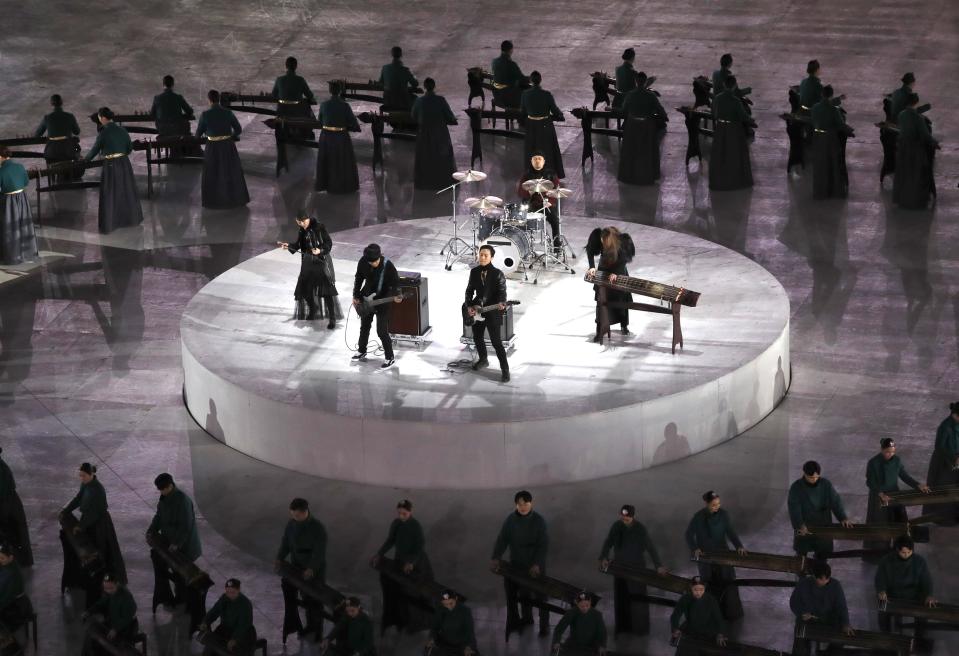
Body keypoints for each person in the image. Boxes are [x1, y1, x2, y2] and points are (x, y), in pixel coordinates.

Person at [60, 463, 127, 608]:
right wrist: (67, 510)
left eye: (83, 475)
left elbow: (95, 513)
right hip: (89, 521)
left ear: (91, 475)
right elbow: (78, 499)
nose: (81, 478)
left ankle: (102, 581)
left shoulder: (98, 490)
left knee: (100, 551)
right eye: (80, 475)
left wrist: (81, 526)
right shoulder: (85, 485)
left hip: (99, 525)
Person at [598, 504, 664, 635]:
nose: (624, 520)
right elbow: (608, 542)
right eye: (622, 517)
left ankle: (641, 628)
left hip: (637, 567)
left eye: (627, 518)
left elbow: (650, 548)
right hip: (620, 567)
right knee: (621, 597)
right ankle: (623, 628)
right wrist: (603, 557)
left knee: (638, 599)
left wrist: (659, 566)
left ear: (633, 516)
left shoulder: (640, 529)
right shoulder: (616, 526)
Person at [147, 473, 203, 629]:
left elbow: (186, 526)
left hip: (185, 548)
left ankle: (183, 604)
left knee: (182, 577)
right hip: (170, 543)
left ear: (170, 486)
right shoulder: (165, 498)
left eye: (162, 489)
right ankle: (173, 598)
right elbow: (159, 515)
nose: (161, 492)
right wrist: (152, 529)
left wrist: (177, 544)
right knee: (173, 573)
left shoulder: (182, 501)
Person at [490, 490, 549, 636]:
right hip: (516, 564)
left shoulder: (539, 521)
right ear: (516, 505)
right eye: (520, 504)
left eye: (526, 504)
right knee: (523, 594)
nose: (523, 507)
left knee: (541, 596)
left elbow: (543, 545)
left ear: (531, 503)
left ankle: (544, 626)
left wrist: (537, 564)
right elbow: (502, 539)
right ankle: (526, 619)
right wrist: (496, 556)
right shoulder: (510, 520)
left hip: (535, 565)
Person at [371, 499, 434, 632]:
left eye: (404, 514)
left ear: (410, 512)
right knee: (400, 589)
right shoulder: (396, 523)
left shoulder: (415, 526)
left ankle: (420, 622)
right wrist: (379, 554)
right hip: (400, 560)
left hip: (417, 563)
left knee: (416, 591)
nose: (401, 516)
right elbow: (390, 540)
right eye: (399, 513)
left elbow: (419, 546)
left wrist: (411, 562)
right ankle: (400, 621)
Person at [684, 491, 745, 622]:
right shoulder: (698, 517)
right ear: (706, 504)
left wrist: (739, 546)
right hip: (706, 556)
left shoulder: (723, 515)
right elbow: (688, 534)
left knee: (727, 582)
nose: (717, 506)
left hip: (722, 554)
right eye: (713, 505)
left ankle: (730, 613)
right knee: (709, 583)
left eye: (718, 504)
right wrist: (695, 548)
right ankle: (711, 615)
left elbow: (730, 532)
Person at [275, 497, 328, 643]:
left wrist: (311, 568)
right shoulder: (291, 524)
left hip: (313, 571)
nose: (294, 517)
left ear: (305, 512)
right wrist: (280, 557)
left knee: (315, 601)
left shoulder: (318, 529)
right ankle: (310, 626)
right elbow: (286, 542)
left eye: (297, 515)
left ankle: (318, 631)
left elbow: (319, 553)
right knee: (305, 597)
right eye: (292, 514)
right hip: (297, 567)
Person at [864, 438, 930, 553]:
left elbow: (904, 476)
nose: (890, 454)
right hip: (878, 496)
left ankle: (900, 549)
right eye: (887, 452)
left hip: (894, 494)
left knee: (899, 521)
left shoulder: (897, 461)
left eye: (893, 452)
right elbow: (870, 482)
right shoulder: (873, 462)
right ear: (882, 450)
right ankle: (879, 552)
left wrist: (918, 485)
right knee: (881, 523)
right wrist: (881, 494)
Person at [85, 107, 144, 234]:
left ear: (103, 118)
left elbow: (94, 151)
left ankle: (111, 223)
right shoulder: (122, 130)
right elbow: (129, 148)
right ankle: (130, 220)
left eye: (100, 117)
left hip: (111, 164)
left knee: (110, 193)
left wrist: (84, 161)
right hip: (124, 163)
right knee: (126, 190)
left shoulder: (103, 133)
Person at [278, 211, 339, 326]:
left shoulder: (319, 227)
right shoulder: (302, 230)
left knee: (326, 291)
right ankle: (313, 308)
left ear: (308, 218)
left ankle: (332, 318)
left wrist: (320, 250)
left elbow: (328, 243)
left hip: (321, 261)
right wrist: (289, 246)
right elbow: (298, 245)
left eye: (303, 221)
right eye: (299, 222)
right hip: (307, 262)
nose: (301, 224)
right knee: (304, 289)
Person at [787, 460, 853, 560]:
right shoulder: (796, 488)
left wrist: (843, 518)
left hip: (823, 523)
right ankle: (801, 574)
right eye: (811, 477)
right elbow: (794, 509)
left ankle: (820, 573)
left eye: (816, 477)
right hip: (805, 525)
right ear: (804, 474)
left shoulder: (826, 485)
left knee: (822, 555)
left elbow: (835, 502)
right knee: (801, 555)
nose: (814, 480)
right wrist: (799, 525)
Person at [195, 89, 249, 209]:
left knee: (212, 172)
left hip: (212, 147)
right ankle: (235, 198)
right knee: (230, 171)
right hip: (227, 146)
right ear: (219, 99)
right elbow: (238, 129)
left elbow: (198, 134)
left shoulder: (205, 115)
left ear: (209, 100)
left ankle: (213, 201)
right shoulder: (228, 112)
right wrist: (231, 136)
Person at [465, 244, 510, 383]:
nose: (482, 257)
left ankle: (505, 370)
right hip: (477, 310)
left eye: (486, 255)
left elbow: (502, 294)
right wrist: (468, 306)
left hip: (492, 312)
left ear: (492, 257)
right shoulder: (474, 272)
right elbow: (469, 291)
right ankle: (483, 359)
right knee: (477, 338)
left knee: (496, 342)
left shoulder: (498, 274)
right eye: (481, 255)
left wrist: (501, 304)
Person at [351, 243, 401, 368]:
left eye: (376, 261)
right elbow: (358, 278)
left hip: (383, 300)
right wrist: (356, 295)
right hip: (367, 298)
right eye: (371, 262)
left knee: (382, 331)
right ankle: (362, 350)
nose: (374, 263)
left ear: (380, 256)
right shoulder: (363, 262)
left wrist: (398, 294)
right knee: (364, 327)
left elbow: (396, 282)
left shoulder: (387, 265)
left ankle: (390, 357)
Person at [789, 561, 853, 656]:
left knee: (839, 641)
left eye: (827, 579)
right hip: (807, 620)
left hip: (828, 620)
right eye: (821, 579)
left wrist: (846, 623)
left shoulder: (835, 586)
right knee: (800, 643)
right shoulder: (804, 584)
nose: (824, 581)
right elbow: (794, 602)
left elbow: (842, 606)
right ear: (814, 576)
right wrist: (801, 613)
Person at [875, 535, 936, 635]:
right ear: (897, 550)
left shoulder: (920, 561)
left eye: (909, 552)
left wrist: (929, 595)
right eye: (903, 552)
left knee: (924, 611)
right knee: (881, 606)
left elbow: (926, 581)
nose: (906, 555)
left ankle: (919, 638)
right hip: (891, 594)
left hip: (913, 595)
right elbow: (879, 579)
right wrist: (881, 591)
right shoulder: (886, 561)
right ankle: (885, 636)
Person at [618, 70, 668, 186]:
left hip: (632, 126)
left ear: (636, 81)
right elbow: (660, 111)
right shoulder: (651, 96)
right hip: (646, 126)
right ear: (645, 82)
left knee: (631, 151)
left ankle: (630, 176)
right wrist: (664, 117)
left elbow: (624, 111)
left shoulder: (630, 95)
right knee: (646, 151)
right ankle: (646, 175)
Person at [585, 226, 635, 341]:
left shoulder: (622, 242)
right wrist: (592, 267)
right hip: (604, 269)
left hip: (619, 269)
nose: (603, 244)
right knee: (601, 299)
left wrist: (616, 273)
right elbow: (590, 250)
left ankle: (624, 325)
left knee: (621, 298)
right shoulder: (599, 236)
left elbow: (624, 259)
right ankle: (600, 330)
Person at [893, 92, 939, 210]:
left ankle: (902, 198)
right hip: (915, 149)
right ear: (916, 102)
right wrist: (935, 143)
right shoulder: (918, 118)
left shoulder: (901, 115)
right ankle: (915, 199)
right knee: (916, 174)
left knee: (905, 173)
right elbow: (925, 135)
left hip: (903, 148)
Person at [410, 77, 457, 190]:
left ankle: (425, 181)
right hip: (440, 135)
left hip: (423, 135)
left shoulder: (419, 101)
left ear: (425, 87)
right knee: (442, 156)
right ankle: (442, 181)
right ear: (434, 86)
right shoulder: (440, 100)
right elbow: (450, 118)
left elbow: (413, 116)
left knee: (424, 157)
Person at [315, 81, 361, 194]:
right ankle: (342, 185)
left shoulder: (324, 105)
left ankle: (326, 184)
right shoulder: (345, 105)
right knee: (342, 161)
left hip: (326, 137)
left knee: (327, 161)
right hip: (341, 137)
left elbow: (320, 122)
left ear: (330, 91)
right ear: (340, 91)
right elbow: (354, 124)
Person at [709, 76, 754, 191]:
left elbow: (713, 113)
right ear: (734, 86)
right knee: (734, 154)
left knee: (720, 153)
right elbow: (743, 116)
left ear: (724, 85)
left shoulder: (717, 98)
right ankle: (734, 180)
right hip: (733, 129)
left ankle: (719, 180)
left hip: (720, 128)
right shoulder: (735, 101)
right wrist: (750, 120)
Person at [520, 71, 565, 179]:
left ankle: (532, 172)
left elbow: (523, 111)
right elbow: (554, 110)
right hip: (545, 125)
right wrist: (560, 114)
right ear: (540, 80)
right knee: (547, 149)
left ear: (531, 80)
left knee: (532, 149)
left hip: (531, 126)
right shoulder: (546, 95)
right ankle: (548, 172)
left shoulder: (525, 94)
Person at [80, 573, 138, 656]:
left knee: (110, 646)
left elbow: (128, 617)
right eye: (106, 588)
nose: (108, 591)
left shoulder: (126, 596)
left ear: (117, 584)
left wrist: (116, 629)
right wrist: (89, 611)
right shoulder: (109, 593)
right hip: (113, 623)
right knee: (90, 638)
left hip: (127, 627)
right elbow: (101, 603)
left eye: (111, 588)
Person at [810, 85, 850, 199]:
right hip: (831, 139)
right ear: (831, 95)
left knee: (820, 165)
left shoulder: (815, 107)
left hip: (818, 138)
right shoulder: (834, 110)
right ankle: (833, 190)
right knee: (833, 164)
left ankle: (820, 191)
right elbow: (841, 125)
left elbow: (813, 120)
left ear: (822, 94)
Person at [0, 146, 38, 266]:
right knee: (23, 225)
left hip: (7, 202)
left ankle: (11, 256)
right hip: (22, 199)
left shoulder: (1, 171)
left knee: (9, 228)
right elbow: (26, 182)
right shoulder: (20, 166)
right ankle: (27, 253)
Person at [199, 578, 256, 656]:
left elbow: (243, 625)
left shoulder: (245, 604)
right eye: (228, 592)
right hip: (225, 629)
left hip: (243, 634)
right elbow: (214, 611)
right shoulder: (224, 598)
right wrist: (205, 622)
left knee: (231, 652)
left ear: (238, 590)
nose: (230, 595)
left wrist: (234, 639)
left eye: (233, 592)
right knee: (210, 648)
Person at [670, 577, 727, 654]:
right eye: (695, 590)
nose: (698, 593)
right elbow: (675, 615)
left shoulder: (711, 600)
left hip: (708, 631)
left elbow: (719, 618)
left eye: (701, 590)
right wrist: (675, 628)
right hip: (690, 629)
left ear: (705, 588)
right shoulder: (685, 599)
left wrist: (720, 633)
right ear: (691, 587)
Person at [518, 153, 561, 251]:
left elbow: (556, 190)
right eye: (535, 159)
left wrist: (550, 201)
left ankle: (557, 247)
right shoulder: (527, 175)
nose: (537, 161)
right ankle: (523, 247)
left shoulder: (551, 174)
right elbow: (520, 192)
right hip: (532, 205)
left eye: (539, 159)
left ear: (544, 161)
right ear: (531, 161)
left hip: (547, 205)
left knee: (555, 221)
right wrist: (529, 192)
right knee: (520, 221)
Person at [34, 93, 82, 178]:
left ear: (51, 104)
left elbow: (37, 135)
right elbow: (77, 132)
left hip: (52, 153)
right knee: (77, 152)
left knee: (49, 154)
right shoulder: (70, 116)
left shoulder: (47, 117)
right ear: (62, 102)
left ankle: (53, 176)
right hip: (68, 151)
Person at [925, 402, 959, 522]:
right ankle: (943, 518)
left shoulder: (956, 424)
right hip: (944, 462)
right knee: (945, 489)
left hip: (956, 460)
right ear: (955, 415)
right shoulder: (945, 427)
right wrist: (954, 457)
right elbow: (939, 447)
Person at [150, 74, 198, 157]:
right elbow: (190, 111)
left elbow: (152, 114)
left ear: (163, 84)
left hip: (163, 131)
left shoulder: (157, 98)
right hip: (177, 130)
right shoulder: (178, 97)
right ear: (173, 84)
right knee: (186, 127)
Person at [272, 56, 317, 142]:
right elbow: (310, 95)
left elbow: (274, 95)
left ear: (286, 66)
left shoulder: (280, 80)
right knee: (308, 109)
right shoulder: (300, 80)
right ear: (296, 66)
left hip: (282, 110)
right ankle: (308, 131)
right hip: (297, 111)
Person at [0, 450, 31, 567]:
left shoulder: (1, 468)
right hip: (9, 503)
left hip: (7, 505)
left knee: (11, 534)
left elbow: (3, 491)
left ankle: (12, 559)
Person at [551, 591, 607, 655]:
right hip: (574, 644)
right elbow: (559, 629)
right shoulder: (571, 613)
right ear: (577, 604)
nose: (585, 608)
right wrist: (557, 641)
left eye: (587, 605)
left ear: (590, 602)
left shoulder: (597, 615)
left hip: (591, 646)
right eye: (582, 606)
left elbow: (602, 632)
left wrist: (602, 645)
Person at [426, 590, 477, 656]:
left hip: (462, 644)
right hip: (445, 642)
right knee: (428, 651)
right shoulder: (440, 609)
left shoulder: (465, 611)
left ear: (456, 599)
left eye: (451, 603)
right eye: (445, 604)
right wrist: (432, 638)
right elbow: (435, 627)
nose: (449, 607)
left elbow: (470, 632)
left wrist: (468, 647)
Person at [0, 544, 32, 644]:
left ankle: (9, 644)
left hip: (17, 608)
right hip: (14, 601)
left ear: (11, 557)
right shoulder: (10, 564)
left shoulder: (10, 574)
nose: (0, 560)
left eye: (2, 558)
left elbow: (5, 598)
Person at [491, 40, 528, 109]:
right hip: (509, 97)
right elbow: (522, 78)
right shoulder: (511, 64)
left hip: (497, 95)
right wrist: (530, 78)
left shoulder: (494, 62)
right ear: (511, 50)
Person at [379, 46, 418, 110]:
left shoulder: (385, 68)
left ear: (391, 54)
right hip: (402, 102)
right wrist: (414, 76)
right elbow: (415, 84)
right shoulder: (405, 70)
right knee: (415, 99)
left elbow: (380, 82)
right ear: (401, 55)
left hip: (388, 101)